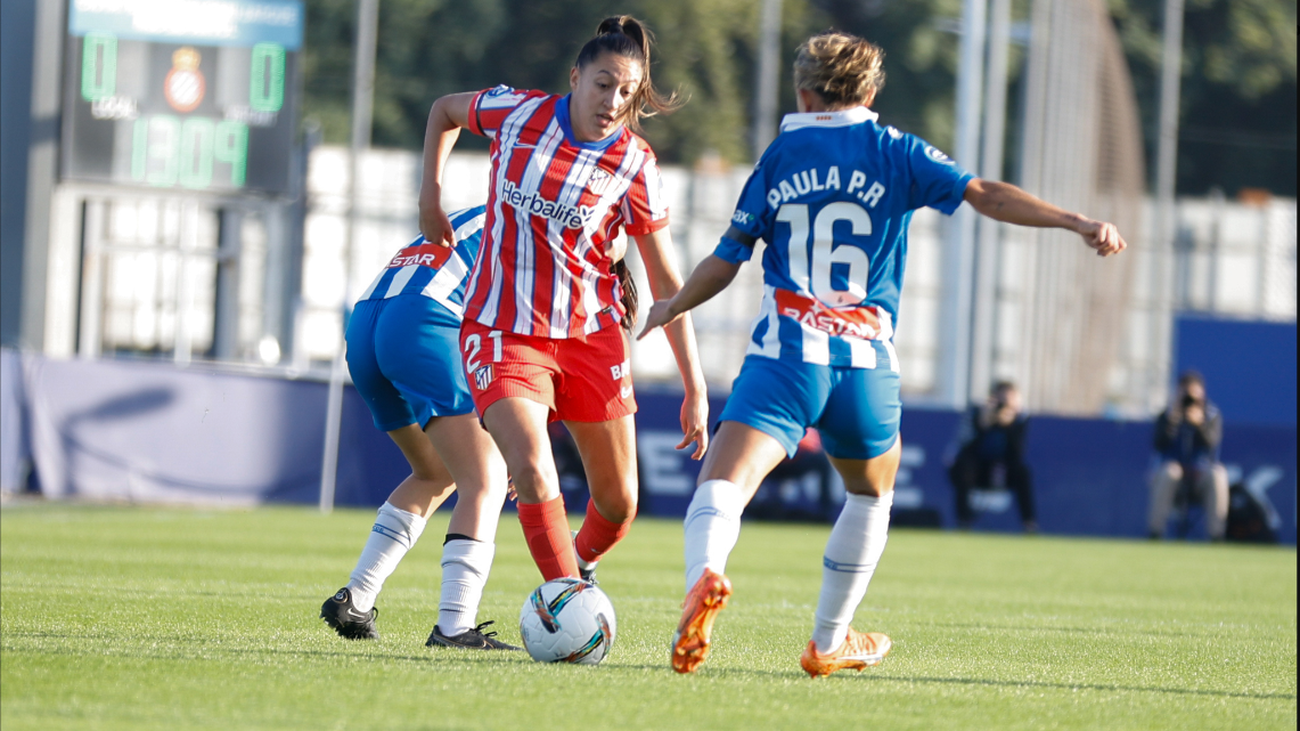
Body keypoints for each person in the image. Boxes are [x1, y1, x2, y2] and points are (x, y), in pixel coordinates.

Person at [639, 31, 1127, 677]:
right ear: (870, 91)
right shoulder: (897, 150)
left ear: (803, 90)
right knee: (870, 497)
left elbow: (729, 257)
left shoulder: (783, 154)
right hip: (866, 359)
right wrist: (1075, 221)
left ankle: (706, 574)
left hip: (789, 353)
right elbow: (984, 193)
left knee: (724, 486)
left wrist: (672, 306)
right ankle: (827, 639)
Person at [417, 16, 709, 584]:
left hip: (591, 339)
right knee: (532, 469)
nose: (613, 101)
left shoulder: (634, 163)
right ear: (575, 76)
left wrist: (694, 387)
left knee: (620, 506)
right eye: (603, 84)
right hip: (502, 330)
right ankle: (565, 599)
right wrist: (430, 195)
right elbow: (444, 110)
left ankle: (579, 567)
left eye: (627, 92)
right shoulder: (519, 113)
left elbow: (669, 284)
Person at [320, 206, 519, 651]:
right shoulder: (533, 223)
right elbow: (518, 342)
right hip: (423, 321)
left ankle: (356, 597)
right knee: (484, 481)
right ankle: (454, 628)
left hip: (367, 323)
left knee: (435, 472)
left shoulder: (477, 210)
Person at [1148, 370, 1228, 540]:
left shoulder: (1211, 415)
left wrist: (1200, 425)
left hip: (1200, 476)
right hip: (1175, 476)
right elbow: (1158, 444)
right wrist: (1173, 420)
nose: (1189, 401)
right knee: (1169, 471)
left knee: (1218, 474)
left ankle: (1217, 535)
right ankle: (1155, 533)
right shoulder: (1168, 414)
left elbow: (1212, 443)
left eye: (1194, 396)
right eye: (1186, 395)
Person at [947, 380, 1037, 532]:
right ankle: (963, 522)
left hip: (1003, 468)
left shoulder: (1020, 419)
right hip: (977, 467)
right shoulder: (976, 413)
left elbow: (1017, 453)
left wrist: (1009, 425)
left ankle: (1029, 524)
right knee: (965, 468)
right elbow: (963, 446)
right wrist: (983, 424)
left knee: (1023, 472)